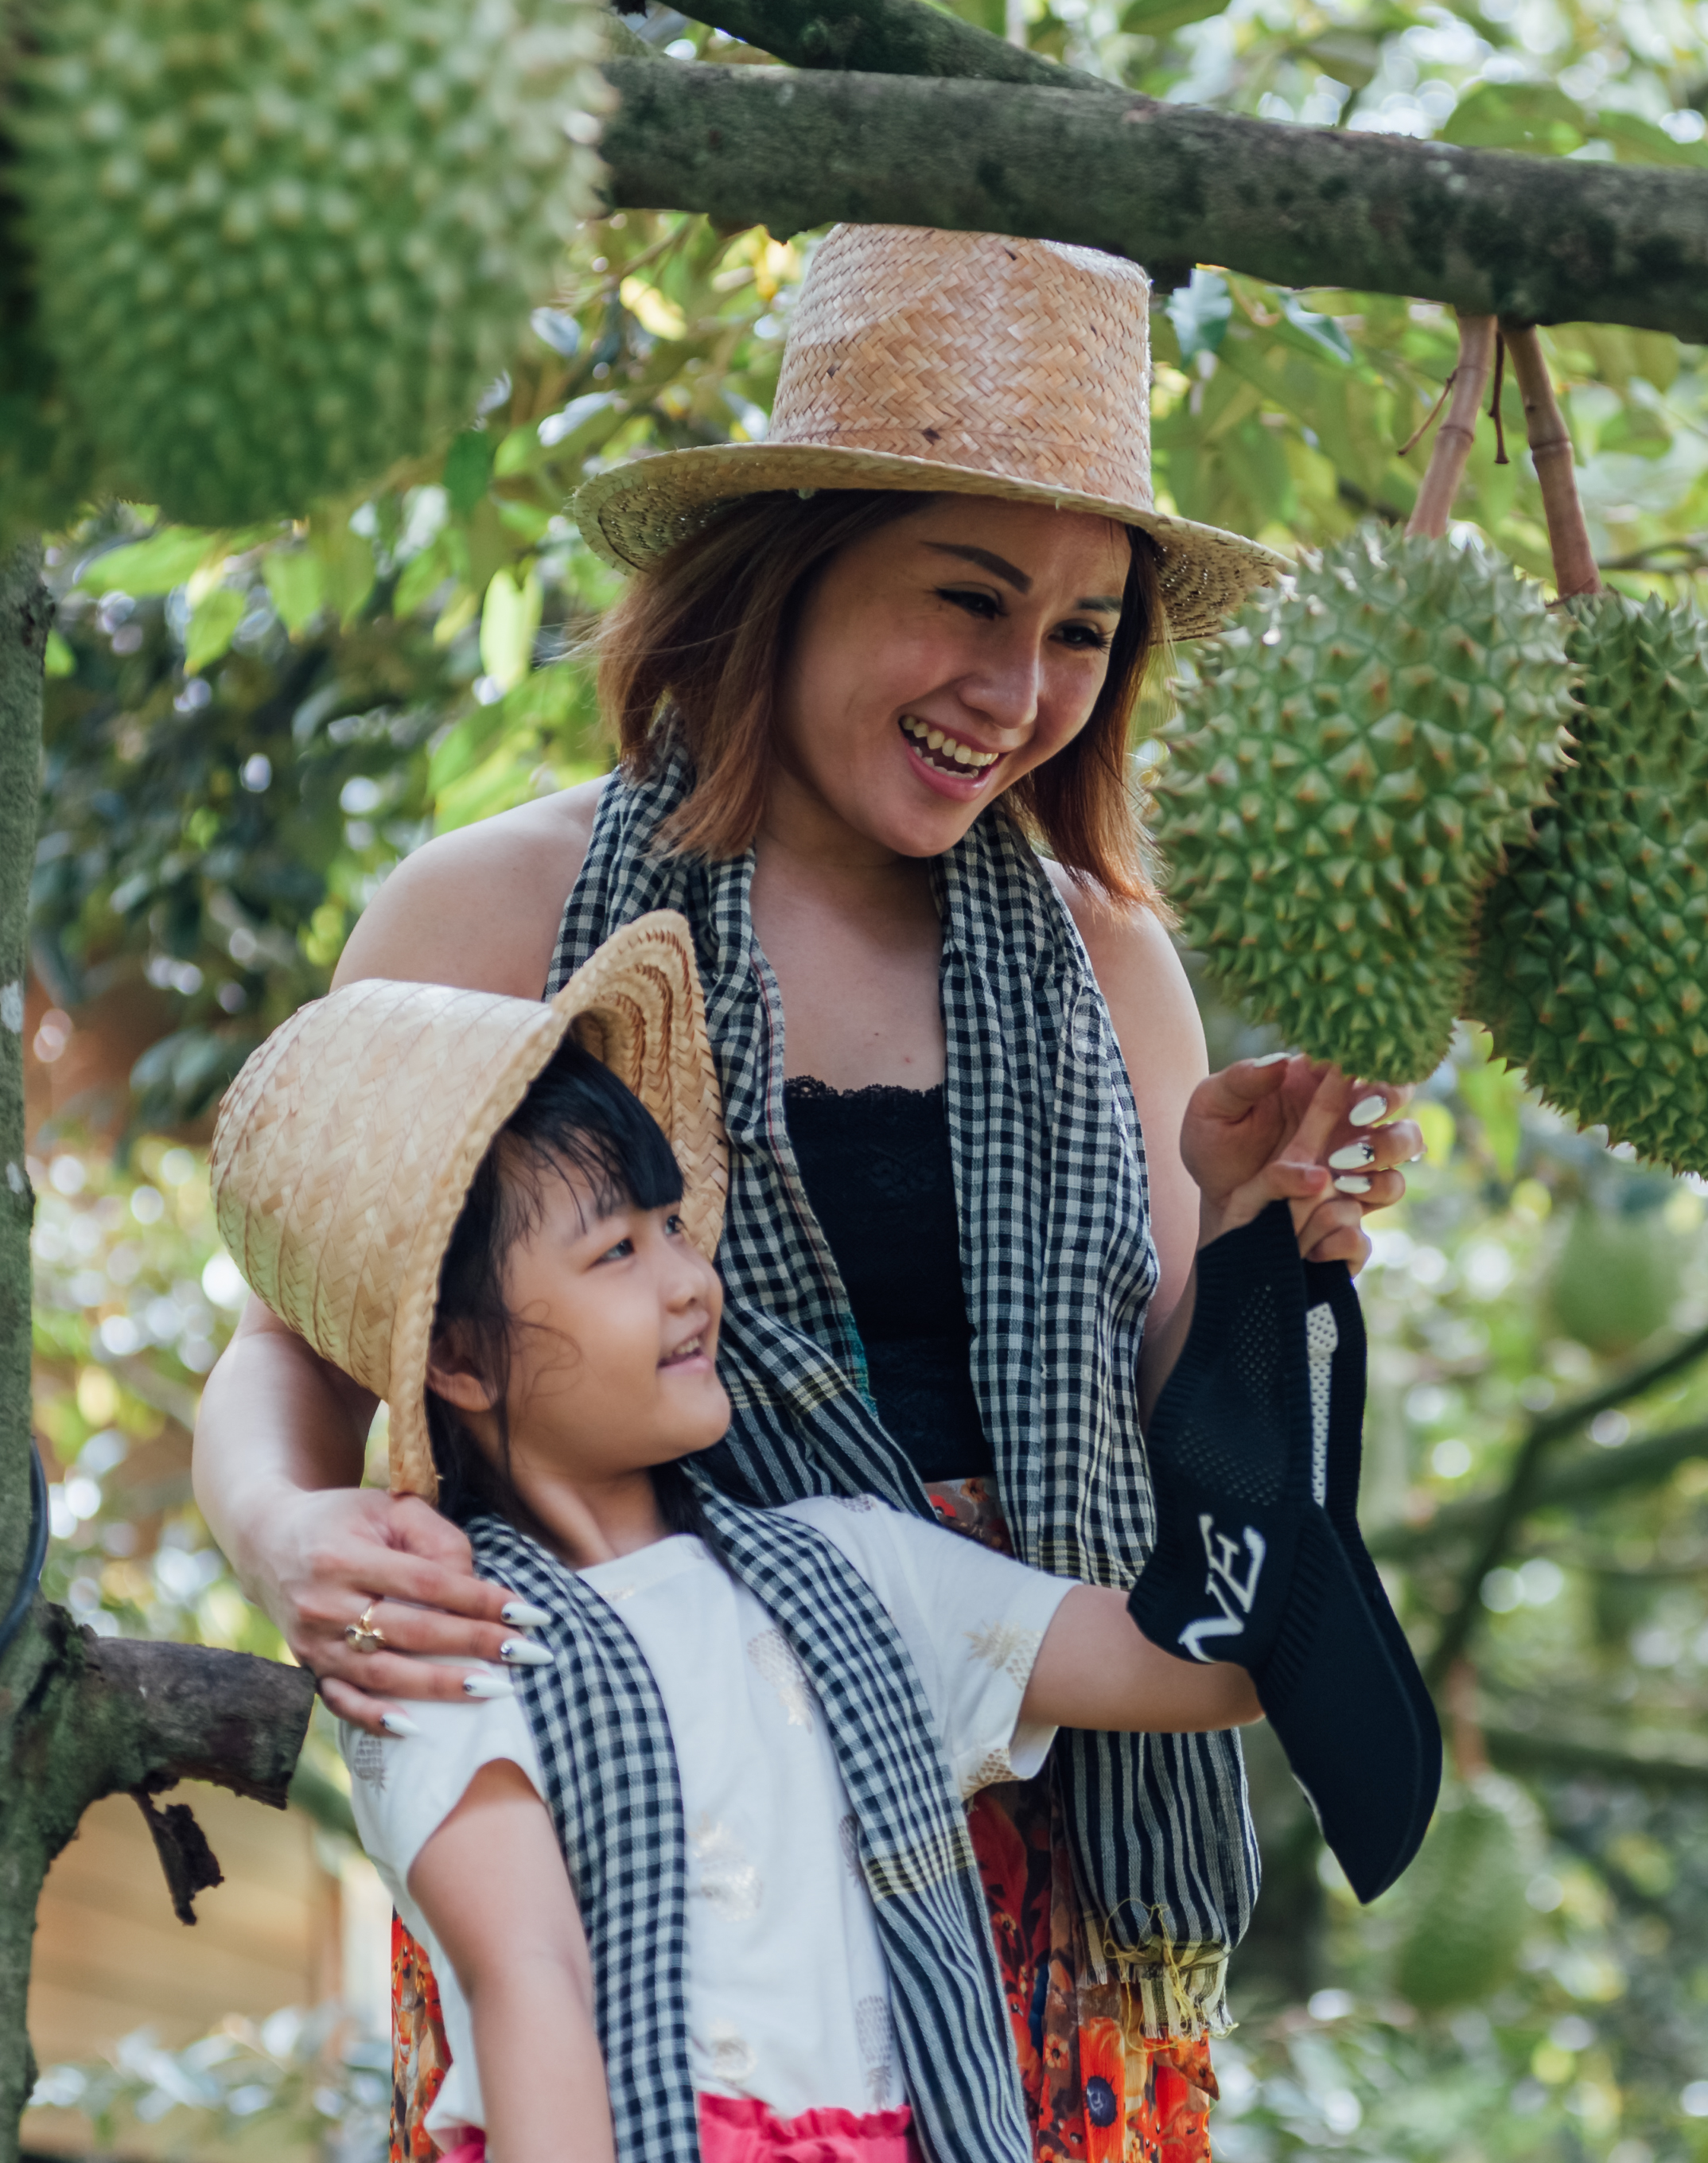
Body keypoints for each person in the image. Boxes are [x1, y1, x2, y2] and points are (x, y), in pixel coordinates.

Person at [191, 225, 1432, 2161]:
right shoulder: (494, 912)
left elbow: (1191, 1402)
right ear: (784, 573)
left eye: (1087, 634)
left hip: (1037, 1778)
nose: (1021, 689)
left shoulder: (1107, 957)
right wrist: (282, 1531)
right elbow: (304, 1331)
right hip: (651, 1785)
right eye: (967, 597)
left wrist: (1254, 1223)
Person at [206, 916, 1420, 2163]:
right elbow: (533, 1990)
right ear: (457, 1358)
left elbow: (1208, 1663)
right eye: (616, 1250)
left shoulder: (848, 1571)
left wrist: (1253, 1264)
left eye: (675, 1227)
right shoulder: (449, 1641)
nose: (689, 1281)